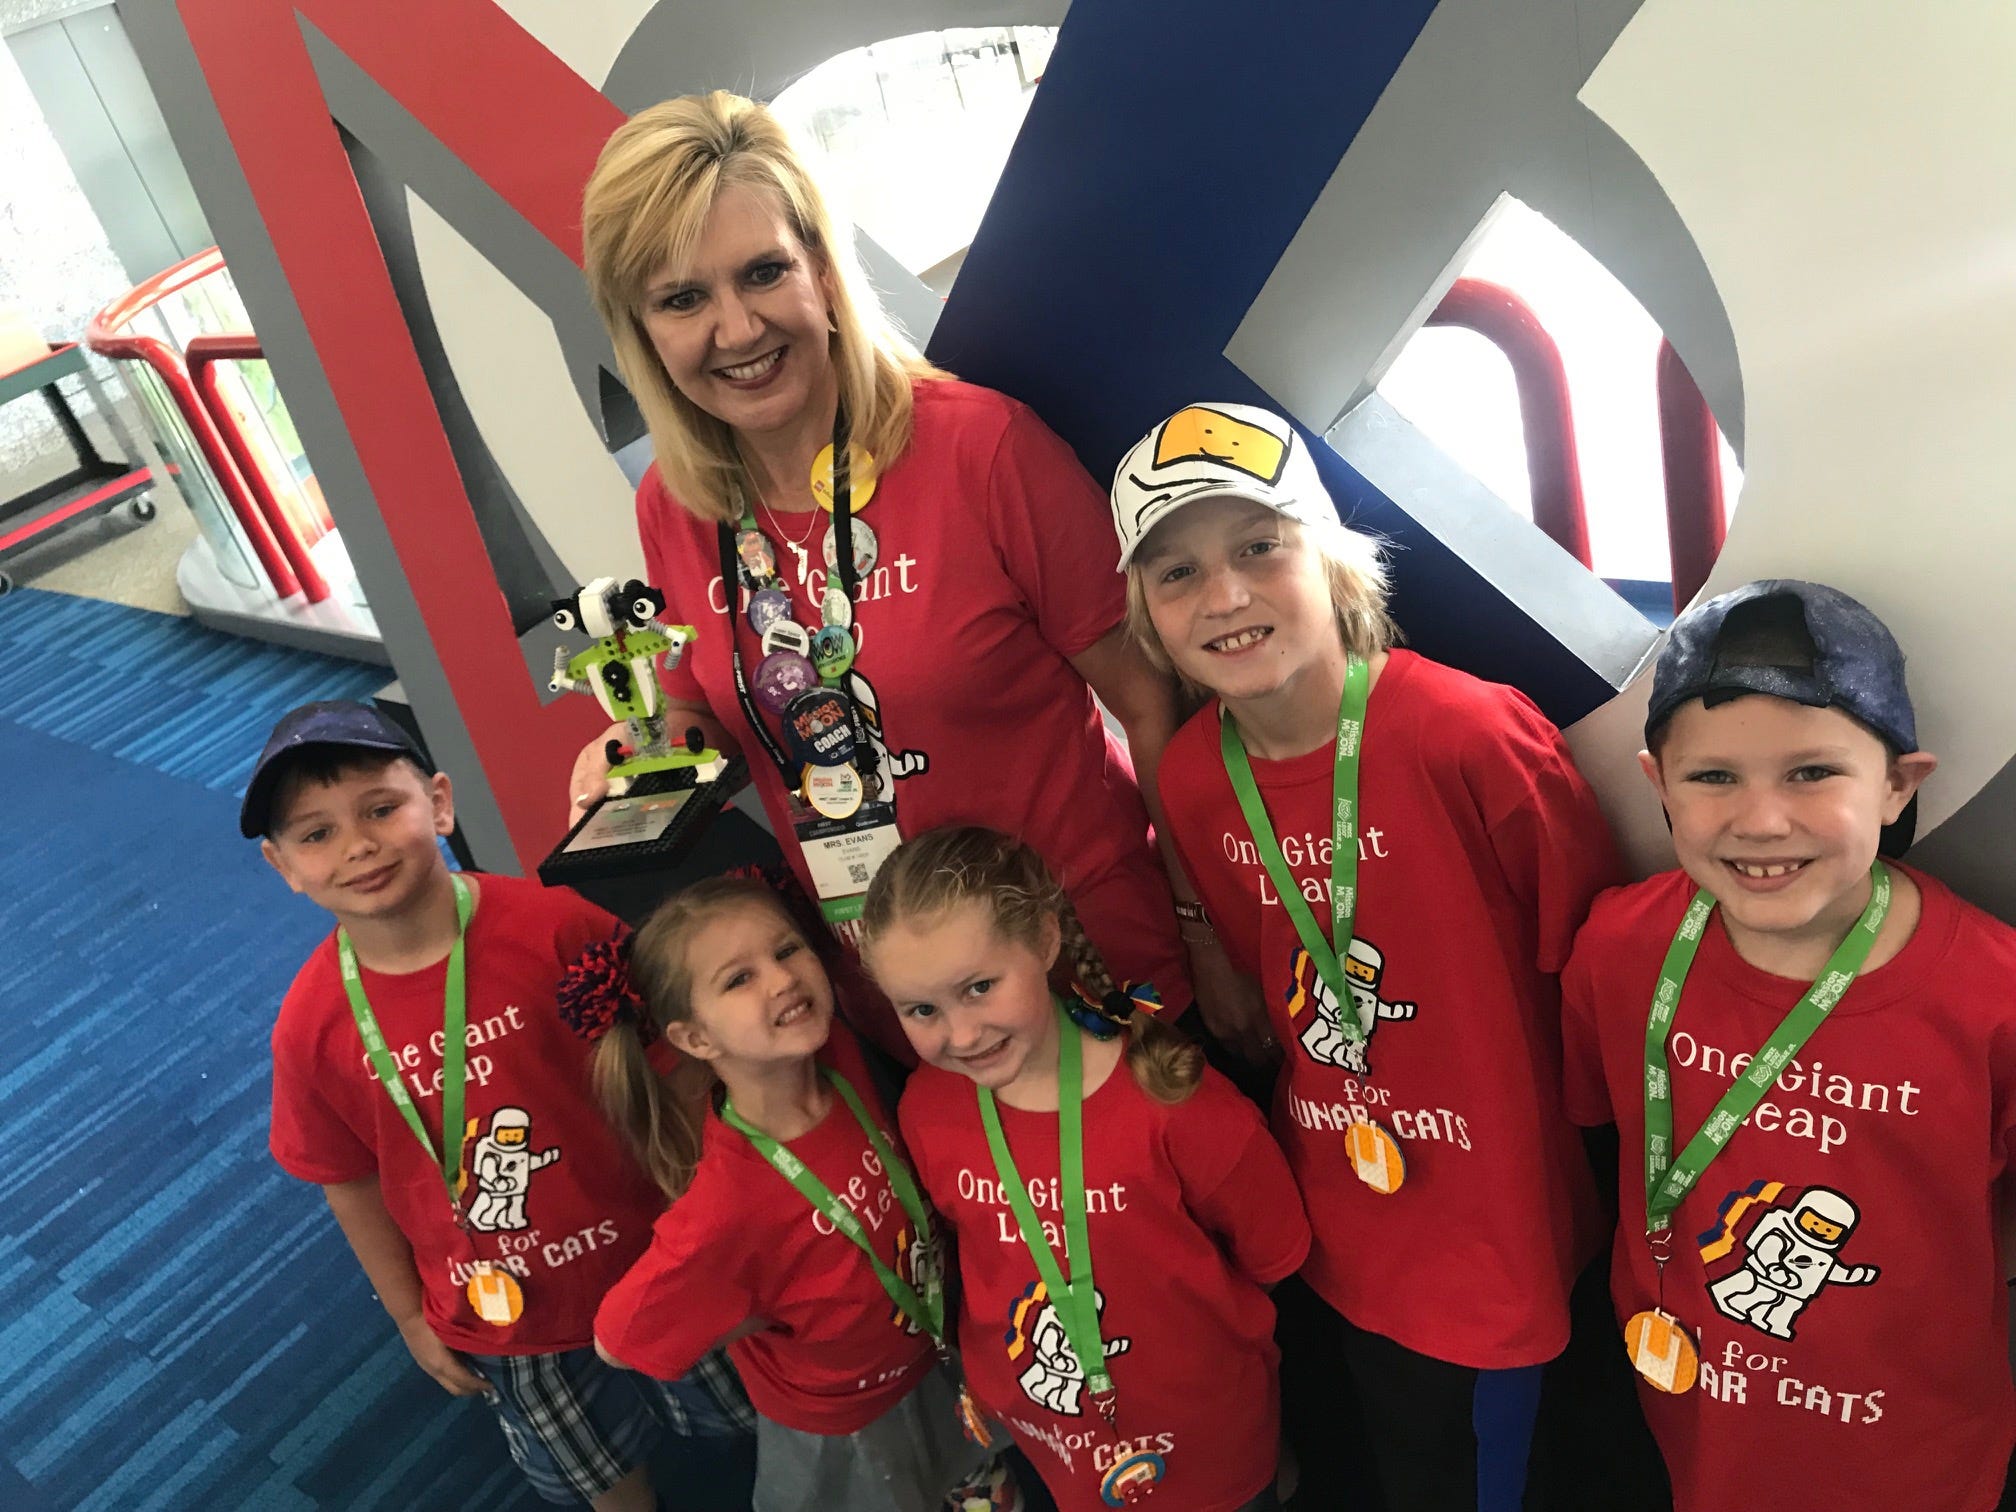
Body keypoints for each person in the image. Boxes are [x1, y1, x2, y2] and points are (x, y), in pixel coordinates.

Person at [573, 90, 1251, 1063]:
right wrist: (635, 749)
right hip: (906, 1008)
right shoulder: (676, 506)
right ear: (640, 327)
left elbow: (1157, 705)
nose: (736, 329)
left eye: (763, 273)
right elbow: (709, 721)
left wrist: (1204, 928)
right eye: (682, 298)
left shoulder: (983, 449)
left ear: (821, 268)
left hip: (1099, 976)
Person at [1112, 404, 1624, 1511]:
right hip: (1348, 1209)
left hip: (1503, 1229)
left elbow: (1591, 968)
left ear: (1333, 558)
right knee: (1401, 1465)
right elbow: (1269, 964)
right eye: (1177, 573)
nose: (1227, 595)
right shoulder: (1198, 776)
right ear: (1146, 620)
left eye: (1261, 546)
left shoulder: (1470, 734)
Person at [1559, 580, 2016, 1511]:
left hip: (1916, 1453)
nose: (1761, 821)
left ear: (1897, 784)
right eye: (1713, 776)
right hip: (1684, 1414)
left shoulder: (1995, 993)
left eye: (1812, 773)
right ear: (1658, 786)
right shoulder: (1617, 948)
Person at [251, 700, 753, 1511]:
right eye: (317, 835)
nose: (359, 846)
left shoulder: (554, 927)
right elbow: (346, 1178)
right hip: (507, 1315)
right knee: (598, 1471)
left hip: (657, 1252)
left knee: (743, 1421)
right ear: (284, 867)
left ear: (440, 804)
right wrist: (411, 1316)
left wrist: (721, 1212)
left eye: (382, 809)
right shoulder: (310, 1028)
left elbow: (675, 1066)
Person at [860, 825, 1311, 1512]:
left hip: (1207, 1439)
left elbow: (1272, 1251)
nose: (959, 1035)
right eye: (921, 1009)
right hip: (1051, 1437)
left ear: (1043, 941)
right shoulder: (927, 1103)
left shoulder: (1172, 1099)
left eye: (979, 987)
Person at [586, 874, 1002, 1512]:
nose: (781, 980)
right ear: (697, 1039)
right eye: (739, 979)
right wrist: (754, 1311)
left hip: (939, 1363)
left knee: (983, 1489)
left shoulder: (838, 1057)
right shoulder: (723, 1205)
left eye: (785, 951)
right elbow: (618, 1338)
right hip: (851, 1424)